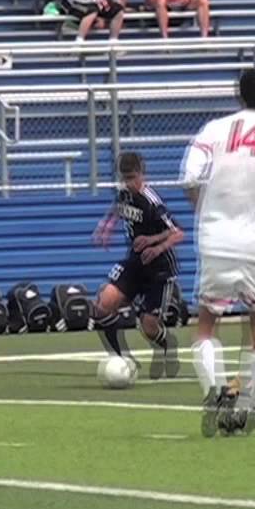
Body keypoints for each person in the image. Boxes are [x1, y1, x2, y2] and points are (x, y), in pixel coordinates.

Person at [179, 69, 255, 437]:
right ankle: (250, 402)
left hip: (214, 238)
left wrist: (204, 210)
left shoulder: (213, 130)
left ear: (238, 95)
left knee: (206, 323)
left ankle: (214, 390)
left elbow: (189, 177)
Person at [90, 151, 184, 379]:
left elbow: (177, 233)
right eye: (125, 179)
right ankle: (121, 359)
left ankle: (167, 346)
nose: (129, 183)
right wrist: (106, 226)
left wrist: (154, 244)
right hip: (135, 262)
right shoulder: (124, 194)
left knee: (148, 326)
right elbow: (118, 208)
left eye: (133, 178)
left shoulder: (152, 201)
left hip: (159, 269)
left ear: (142, 174)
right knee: (103, 306)